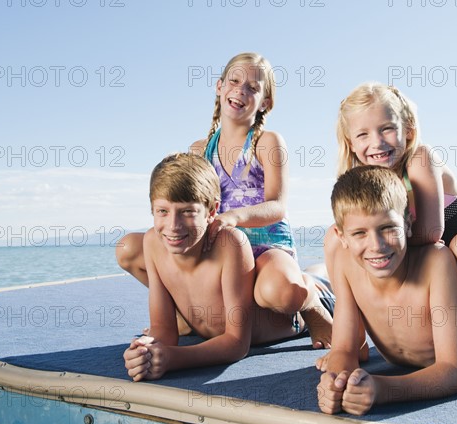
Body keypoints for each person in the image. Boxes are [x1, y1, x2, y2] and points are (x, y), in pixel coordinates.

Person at [320, 81, 457, 392]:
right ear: (350, 142)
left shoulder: (419, 159)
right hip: (416, 270)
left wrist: (375, 253)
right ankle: (350, 337)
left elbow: (432, 232)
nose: (377, 143)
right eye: (364, 134)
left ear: (407, 129)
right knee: (333, 239)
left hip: (455, 264)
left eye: (386, 129)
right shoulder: (360, 178)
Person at [317, 166, 457, 415]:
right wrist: (336, 383)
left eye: (388, 228)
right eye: (359, 233)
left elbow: (452, 373)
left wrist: (382, 388)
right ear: (341, 236)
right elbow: (344, 349)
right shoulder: (346, 264)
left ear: (408, 224)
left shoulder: (436, 261)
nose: (376, 246)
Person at [124, 153, 314, 381]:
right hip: (210, 330)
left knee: (294, 288)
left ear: (212, 212)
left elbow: (236, 343)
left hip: (287, 321)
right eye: (162, 211)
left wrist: (175, 358)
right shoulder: (152, 243)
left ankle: (315, 291)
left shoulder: (230, 243)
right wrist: (145, 349)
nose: (173, 226)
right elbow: (163, 329)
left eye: (188, 212)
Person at [189, 52, 333, 349]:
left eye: (253, 88)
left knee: (282, 293)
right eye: (234, 81)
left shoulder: (268, 142)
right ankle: (312, 276)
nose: (241, 90)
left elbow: (277, 205)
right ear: (219, 86)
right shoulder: (199, 150)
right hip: (225, 253)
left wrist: (235, 217)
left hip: (268, 247)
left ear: (265, 102)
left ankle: (313, 299)